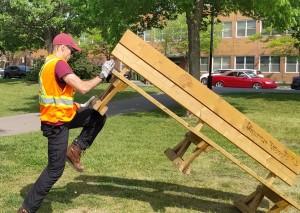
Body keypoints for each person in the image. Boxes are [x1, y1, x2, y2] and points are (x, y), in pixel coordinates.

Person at [18, 33, 115, 213]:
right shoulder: (59, 64)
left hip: (63, 117)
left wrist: (82, 106)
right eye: (71, 50)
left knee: (98, 115)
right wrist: (102, 74)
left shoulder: (47, 64)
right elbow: (83, 87)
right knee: (55, 170)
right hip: (56, 124)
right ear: (61, 47)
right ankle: (26, 209)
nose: (72, 54)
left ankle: (75, 149)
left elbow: (58, 96)